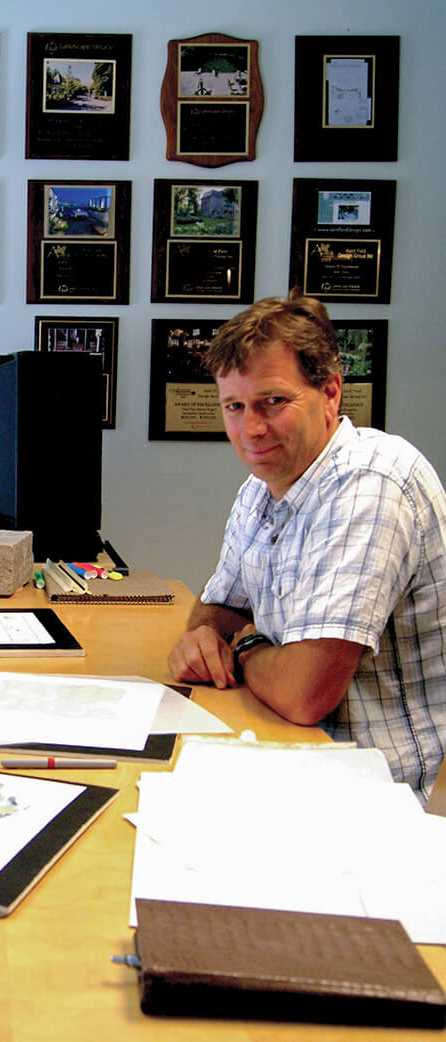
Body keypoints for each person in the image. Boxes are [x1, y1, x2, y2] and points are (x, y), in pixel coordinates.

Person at [168, 291, 446, 803]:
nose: (251, 429)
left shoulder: (371, 483)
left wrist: (247, 645)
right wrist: (204, 642)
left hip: (379, 792)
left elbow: (303, 694)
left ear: (331, 393)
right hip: (290, 756)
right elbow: (216, 613)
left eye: (273, 402)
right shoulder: (261, 489)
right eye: (235, 406)